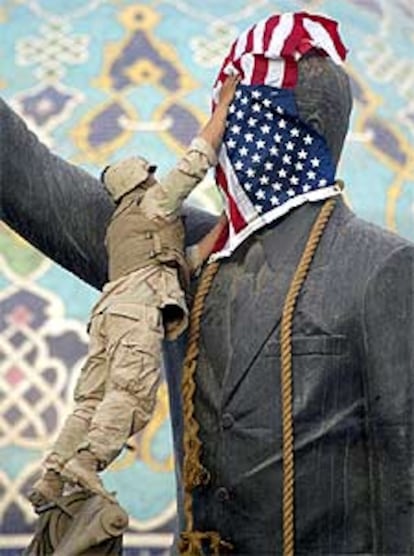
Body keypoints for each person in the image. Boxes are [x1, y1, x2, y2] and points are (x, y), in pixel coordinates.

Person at [1, 12, 413, 555]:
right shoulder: (180, 256)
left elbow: (407, 484)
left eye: (231, 111)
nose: (217, 132)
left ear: (283, 129)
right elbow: (27, 178)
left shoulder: (382, 267)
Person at [27, 74, 239, 509]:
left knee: (90, 400)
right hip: (137, 309)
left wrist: (226, 225)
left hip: (108, 311)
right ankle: (88, 461)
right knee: (131, 393)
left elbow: (186, 262)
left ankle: (51, 475)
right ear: (140, 183)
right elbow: (195, 162)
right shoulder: (154, 204)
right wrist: (223, 110)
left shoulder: (122, 229)